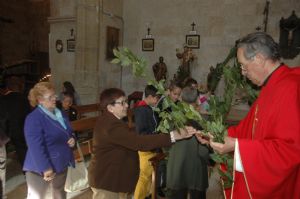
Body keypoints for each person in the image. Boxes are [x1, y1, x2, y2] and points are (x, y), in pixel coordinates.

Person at [196, 32, 300, 199]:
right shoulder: (270, 86)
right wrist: (217, 136)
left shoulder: (290, 88)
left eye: (244, 66)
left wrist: (237, 147)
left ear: (259, 59)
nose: (243, 73)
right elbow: (248, 129)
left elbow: (291, 151)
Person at [88, 88, 195, 199]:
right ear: (110, 108)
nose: (127, 105)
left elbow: (131, 139)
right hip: (106, 181)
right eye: (122, 103)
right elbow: (138, 142)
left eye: (125, 101)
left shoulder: (113, 121)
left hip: (114, 179)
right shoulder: (110, 125)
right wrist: (173, 136)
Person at [23, 82, 75, 199]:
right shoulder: (34, 118)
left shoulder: (59, 113)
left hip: (61, 162)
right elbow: (35, 146)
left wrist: (72, 139)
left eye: (54, 95)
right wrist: (45, 168)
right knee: (37, 196)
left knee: (59, 194)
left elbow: (69, 131)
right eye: (50, 97)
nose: (55, 98)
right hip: (40, 167)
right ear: (40, 100)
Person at [167, 87, 210, 199]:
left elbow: (165, 142)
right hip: (197, 168)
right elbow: (204, 150)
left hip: (177, 166)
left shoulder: (172, 118)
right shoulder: (204, 120)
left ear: (181, 98)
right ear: (197, 100)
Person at [134, 85, 161, 199]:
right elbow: (141, 132)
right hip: (145, 149)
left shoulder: (148, 108)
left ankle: (148, 195)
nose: (157, 101)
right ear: (150, 97)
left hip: (152, 146)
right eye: (156, 98)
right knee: (144, 177)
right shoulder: (141, 110)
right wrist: (156, 136)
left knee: (150, 176)